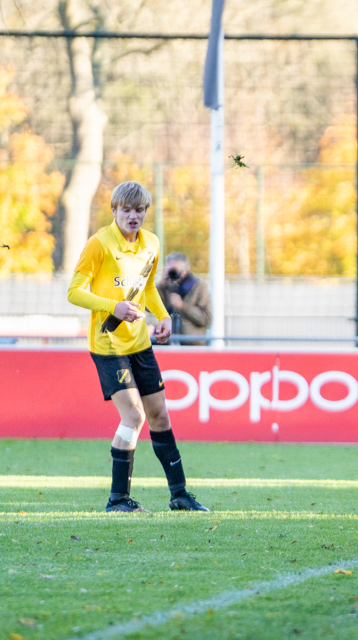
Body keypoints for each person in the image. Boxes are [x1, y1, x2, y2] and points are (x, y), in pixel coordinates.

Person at [66, 181, 208, 513]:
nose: (133, 216)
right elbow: (74, 291)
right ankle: (118, 499)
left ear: (146, 212)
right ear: (114, 210)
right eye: (126, 210)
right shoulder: (99, 244)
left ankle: (179, 495)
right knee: (133, 415)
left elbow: (147, 289)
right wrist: (112, 307)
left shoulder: (151, 244)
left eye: (139, 210)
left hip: (140, 343)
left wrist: (163, 316)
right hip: (108, 344)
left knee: (159, 415)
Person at [157, 252, 211, 346]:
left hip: (192, 346)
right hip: (168, 344)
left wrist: (183, 306)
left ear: (185, 270)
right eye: (169, 270)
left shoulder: (199, 286)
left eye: (175, 270)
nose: (172, 273)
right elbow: (148, 308)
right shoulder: (165, 287)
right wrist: (160, 285)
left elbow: (206, 319)